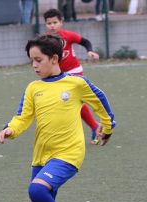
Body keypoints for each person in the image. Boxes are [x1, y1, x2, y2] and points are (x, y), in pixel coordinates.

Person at [0, 34, 115, 202]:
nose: (34, 65)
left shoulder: (76, 83)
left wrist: (107, 128)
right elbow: (23, 116)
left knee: (37, 191)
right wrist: (10, 129)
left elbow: (101, 102)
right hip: (42, 155)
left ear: (54, 59)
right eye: (31, 60)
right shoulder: (34, 88)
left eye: (38, 60)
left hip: (69, 153)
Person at [44, 9, 102, 144]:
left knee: (71, 101)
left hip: (74, 71)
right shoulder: (45, 40)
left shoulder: (68, 36)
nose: (52, 25)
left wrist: (90, 51)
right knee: (67, 102)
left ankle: (95, 126)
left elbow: (85, 41)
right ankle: (94, 126)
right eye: (49, 23)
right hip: (59, 75)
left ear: (61, 22)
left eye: (55, 22)